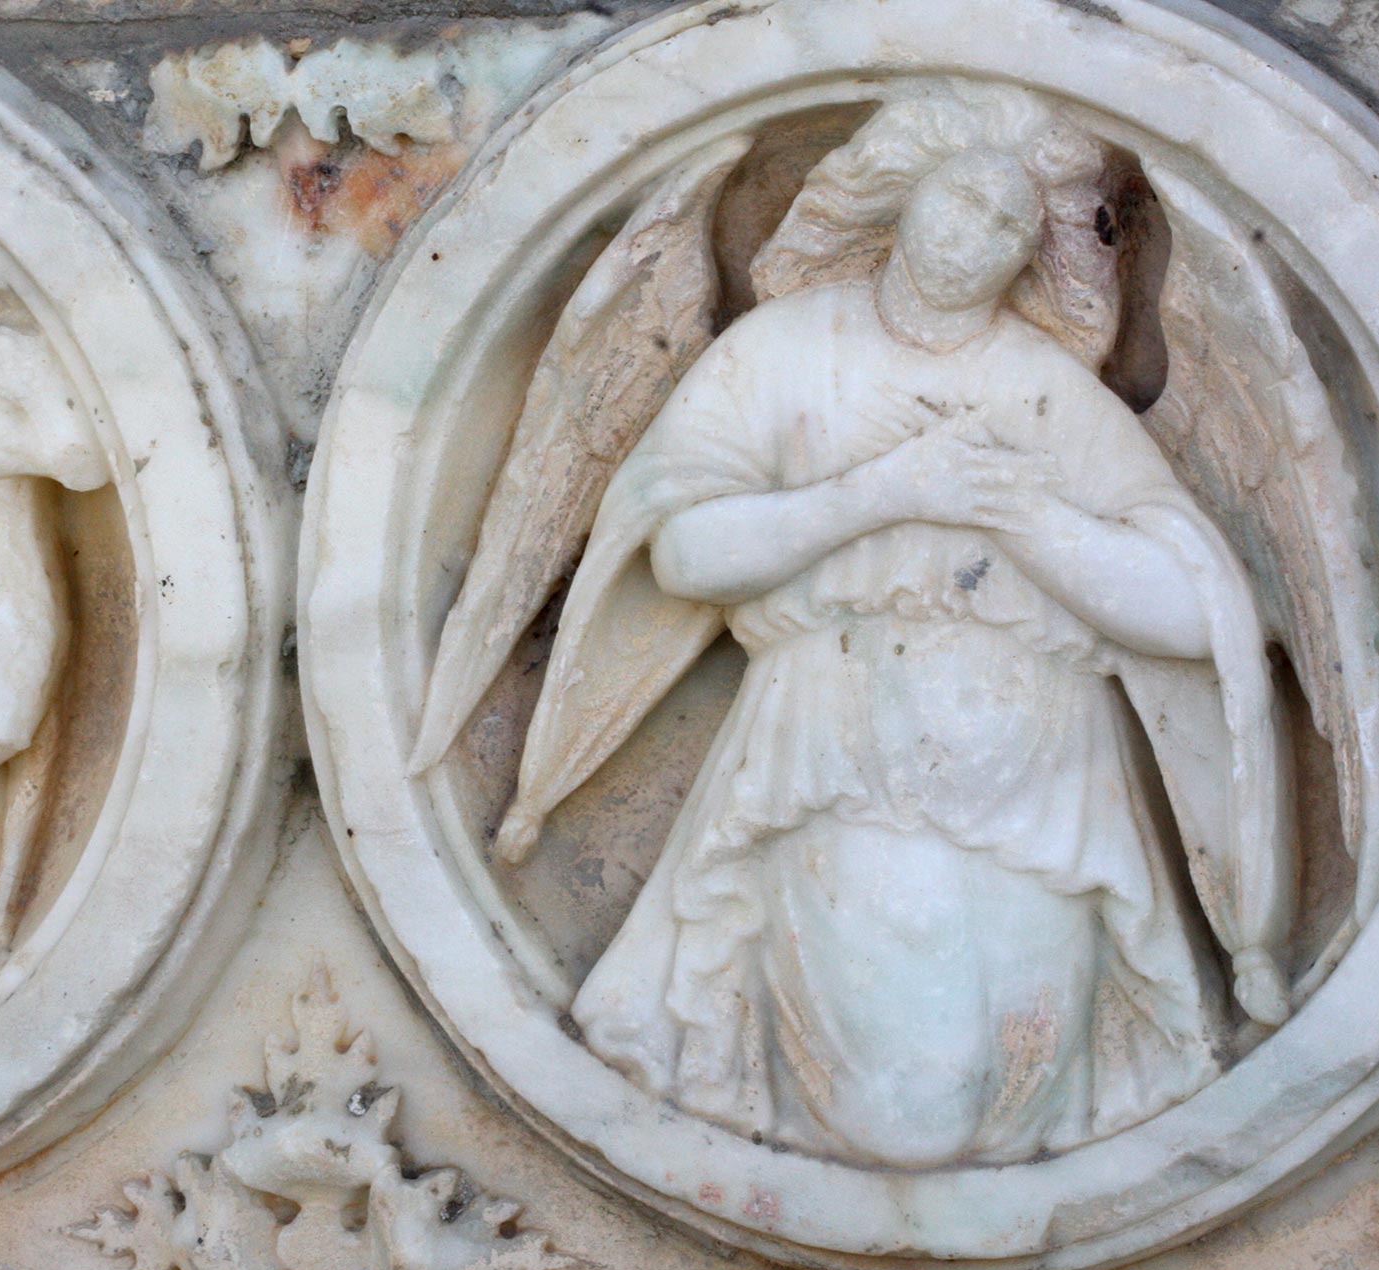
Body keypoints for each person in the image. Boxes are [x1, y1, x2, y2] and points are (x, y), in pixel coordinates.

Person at [530, 92, 1293, 1168]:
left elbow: (1192, 610)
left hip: (1044, 784)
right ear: (897, 198)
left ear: (1033, 257)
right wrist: (882, 492)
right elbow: (684, 554)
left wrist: (1027, 517)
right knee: (908, 1113)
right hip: (843, 752)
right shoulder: (780, 356)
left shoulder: (1048, 395)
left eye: (1009, 226)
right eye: (962, 202)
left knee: (1020, 1104)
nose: (977, 238)